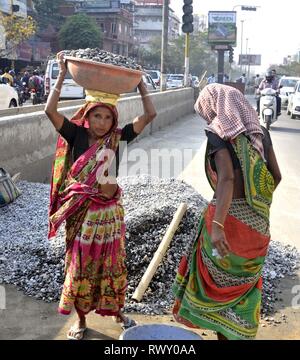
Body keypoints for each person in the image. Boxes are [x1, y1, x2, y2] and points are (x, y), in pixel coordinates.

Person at [45, 52, 157, 340]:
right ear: (88, 114)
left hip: (109, 213)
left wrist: (141, 83)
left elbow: (149, 115)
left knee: (112, 264)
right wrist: (60, 75)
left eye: (108, 117)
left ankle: (117, 312)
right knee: (81, 265)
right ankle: (80, 320)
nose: (102, 122)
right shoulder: (77, 135)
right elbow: (50, 111)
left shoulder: (118, 138)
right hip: (82, 213)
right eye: (97, 115)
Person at [172, 83, 281, 340]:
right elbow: (275, 177)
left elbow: (227, 179)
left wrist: (219, 224)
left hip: (226, 223)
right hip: (257, 229)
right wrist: (256, 206)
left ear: (214, 106)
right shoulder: (260, 133)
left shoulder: (217, 133)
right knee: (243, 289)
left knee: (219, 289)